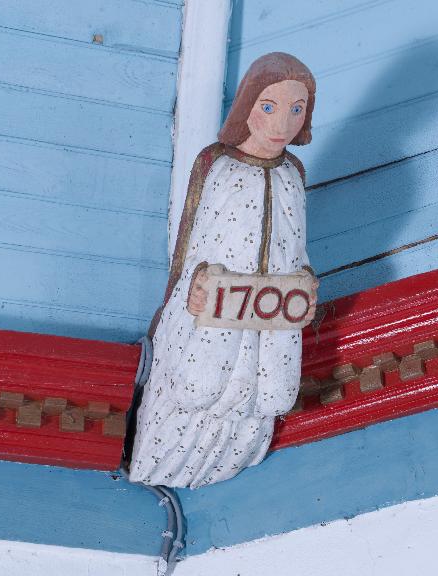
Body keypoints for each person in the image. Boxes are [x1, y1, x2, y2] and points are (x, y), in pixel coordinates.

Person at [129, 52, 318, 488]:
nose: (282, 123)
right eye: (269, 106)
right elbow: (194, 241)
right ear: (248, 105)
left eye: (297, 109)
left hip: (270, 317)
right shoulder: (219, 165)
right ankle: (165, 463)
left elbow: (295, 245)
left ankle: (235, 454)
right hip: (215, 312)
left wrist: (306, 282)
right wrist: (195, 285)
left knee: (261, 395)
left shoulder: (292, 173)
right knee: (201, 386)